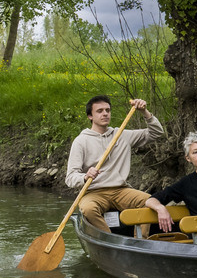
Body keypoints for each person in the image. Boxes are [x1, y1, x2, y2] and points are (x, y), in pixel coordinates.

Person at [66, 95, 170, 234]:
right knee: (88, 209)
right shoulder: (81, 141)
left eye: (107, 110)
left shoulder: (122, 135)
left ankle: (141, 241)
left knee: (151, 201)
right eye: (100, 111)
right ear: (90, 116)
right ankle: (107, 238)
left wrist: (144, 112)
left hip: (121, 190)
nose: (105, 114)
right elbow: (70, 177)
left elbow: (156, 133)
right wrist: (85, 177)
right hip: (93, 192)